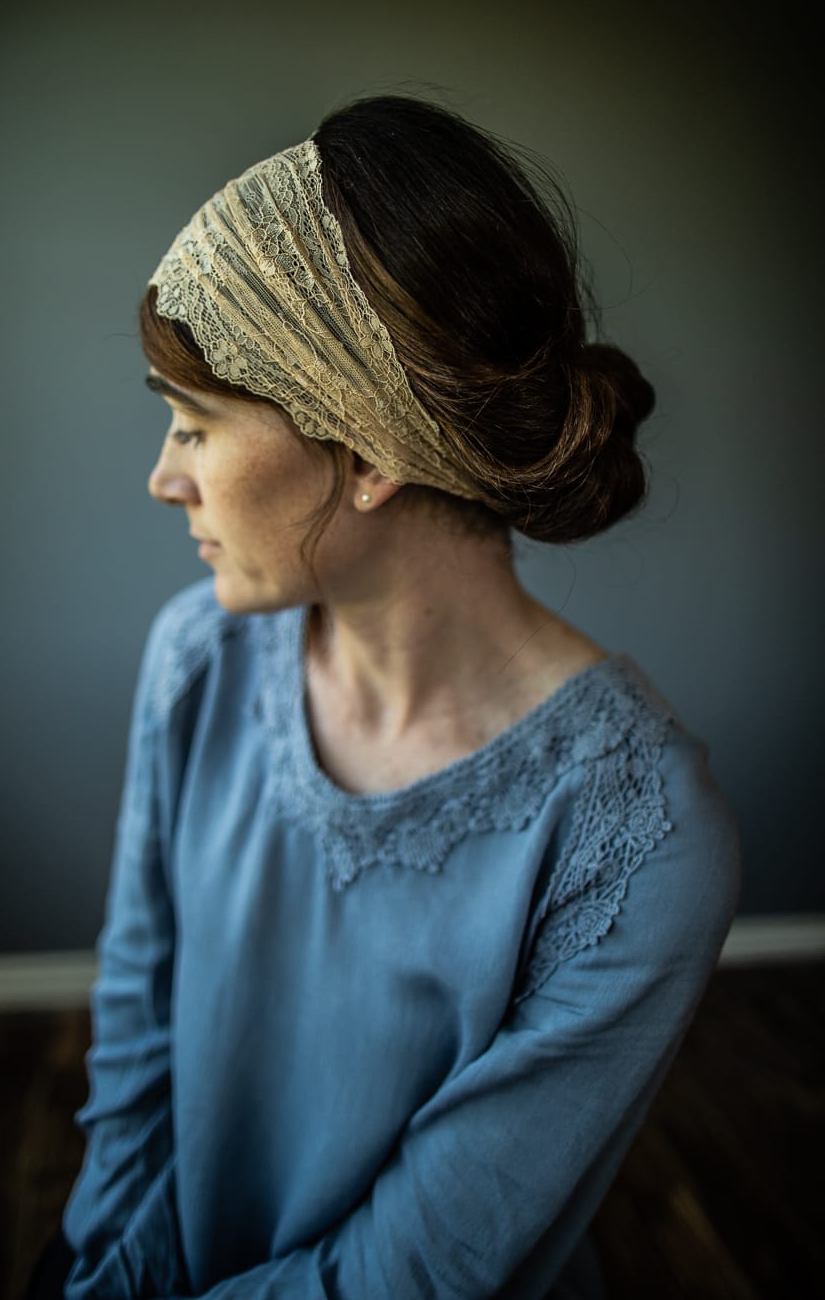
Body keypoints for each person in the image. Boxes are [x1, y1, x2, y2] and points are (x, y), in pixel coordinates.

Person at [48, 95, 740, 1299]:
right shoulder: (196, 659)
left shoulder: (641, 840)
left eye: (196, 427)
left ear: (368, 450)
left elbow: (420, 1265)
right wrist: (112, 1265)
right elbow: (137, 1019)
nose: (164, 478)